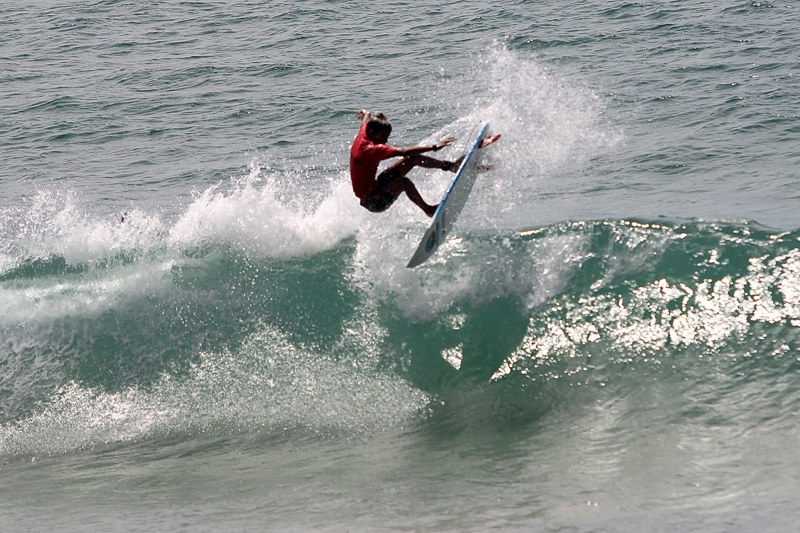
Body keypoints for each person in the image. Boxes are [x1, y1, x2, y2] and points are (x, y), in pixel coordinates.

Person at [349, 110, 460, 217]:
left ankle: (451, 166)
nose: (385, 141)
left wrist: (367, 113)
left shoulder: (364, 134)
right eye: (383, 136)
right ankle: (428, 210)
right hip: (374, 201)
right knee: (404, 183)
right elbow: (403, 151)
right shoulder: (371, 149)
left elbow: (366, 121)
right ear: (373, 132)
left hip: (377, 186)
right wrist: (435, 147)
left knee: (413, 158)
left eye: (387, 137)